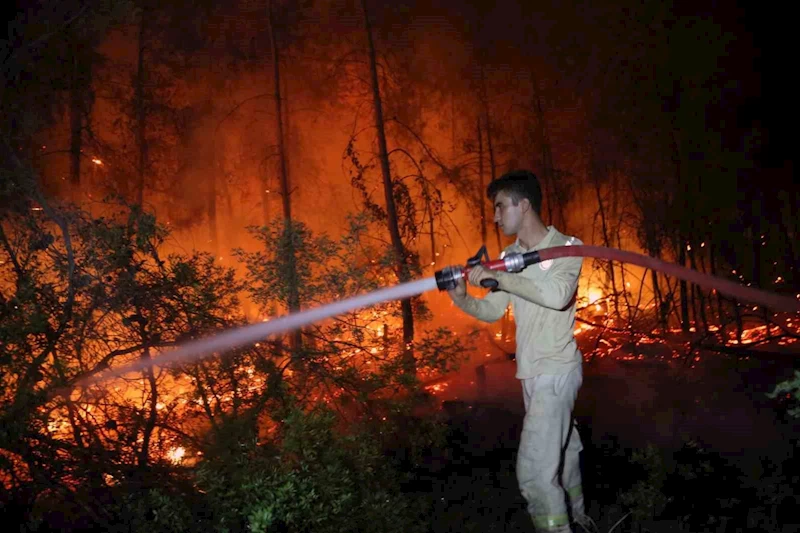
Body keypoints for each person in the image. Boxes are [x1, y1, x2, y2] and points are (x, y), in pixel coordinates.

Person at [447, 169, 585, 533]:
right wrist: (463, 298)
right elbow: (492, 310)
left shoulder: (568, 247)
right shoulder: (509, 255)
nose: (494, 215)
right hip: (532, 373)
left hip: (555, 371)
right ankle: (581, 518)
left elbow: (557, 297)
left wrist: (502, 278)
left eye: (500, 206)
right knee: (565, 452)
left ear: (524, 206)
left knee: (535, 476)